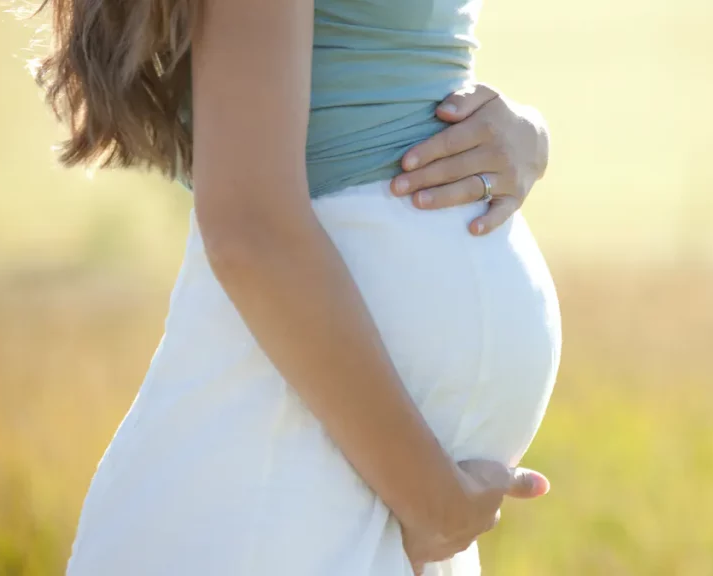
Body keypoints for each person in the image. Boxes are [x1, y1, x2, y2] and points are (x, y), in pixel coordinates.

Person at [34, 0, 561, 574]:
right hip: (279, 462)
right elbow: (249, 227)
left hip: (361, 480)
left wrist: (528, 136)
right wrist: (432, 500)